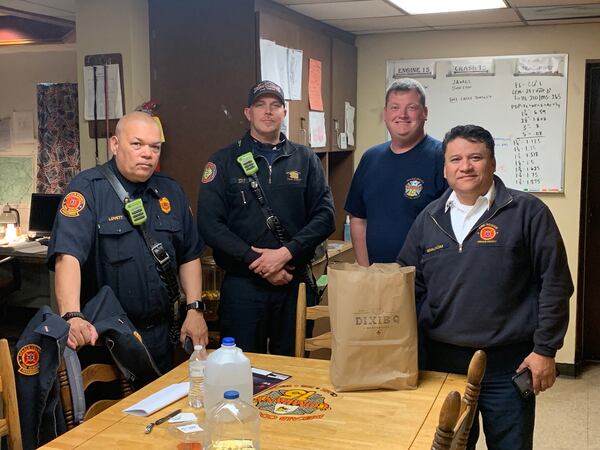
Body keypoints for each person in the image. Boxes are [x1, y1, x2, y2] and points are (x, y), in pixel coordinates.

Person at [397, 124, 573, 449]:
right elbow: (406, 284)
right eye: (456, 159)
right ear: (445, 169)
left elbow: (556, 283)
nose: (465, 166)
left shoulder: (527, 212)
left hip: (507, 363)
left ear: (492, 163)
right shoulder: (429, 218)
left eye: (475, 157)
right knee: (451, 446)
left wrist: (545, 350)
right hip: (442, 363)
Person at [47, 111, 208, 374]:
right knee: (110, 413)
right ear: (114, 144)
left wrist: (194, 309)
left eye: (155, 147)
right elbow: (68, 256)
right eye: (137, 144)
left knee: (161, 409)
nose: (147, 153)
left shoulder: (171, 191)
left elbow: (189, 255)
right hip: (107, 336)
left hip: (160, 333)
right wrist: (71, 315)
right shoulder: (88, 189)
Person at [197, 80, 335, 356]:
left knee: (295, 369)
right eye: (260, 105)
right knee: (240, 366)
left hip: (292, 282)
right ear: (248, 113)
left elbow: (325, 217)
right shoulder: (223, 161)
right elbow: (210, 225)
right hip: (242, 286)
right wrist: (258, 262)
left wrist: (285, 254)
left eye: (275, 106)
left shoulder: (305, 159)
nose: (268, 112)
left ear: (284, 112)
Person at [345, 78, 447, 265]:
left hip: (427, 280)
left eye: (411, 107)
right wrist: (366, 270)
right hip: (378, 277)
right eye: (395, 107)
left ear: (425, 113)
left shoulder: (443, 157)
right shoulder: (370, 158)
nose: (402, 115)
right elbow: (358, 219)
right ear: (385, 113)